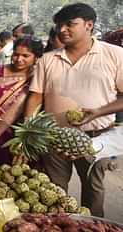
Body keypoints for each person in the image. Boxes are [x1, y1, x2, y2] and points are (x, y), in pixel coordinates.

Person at [24, 3, 123, 217]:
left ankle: (94, 226)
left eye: (70, 24)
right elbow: (35, 97)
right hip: (54, 137)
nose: (62, 30)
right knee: (54, 191)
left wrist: (99, 111)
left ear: (89, 25)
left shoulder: (114, 54)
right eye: (59, 25)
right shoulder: (48, 59)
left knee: (93, 191)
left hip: (97, 136)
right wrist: (29, 134)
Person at [0, 36, 44, 165]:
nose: (19, 59)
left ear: (36, 57)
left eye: (26, 56)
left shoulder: (37, 77)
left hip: (18, 133)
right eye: (16, 54)